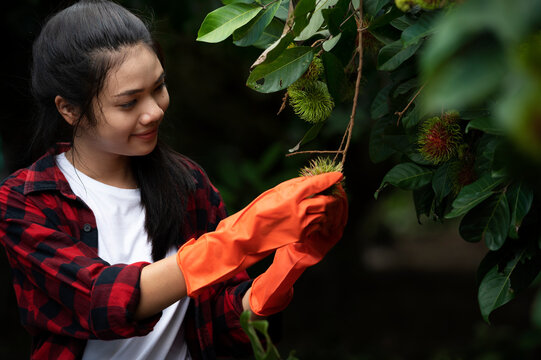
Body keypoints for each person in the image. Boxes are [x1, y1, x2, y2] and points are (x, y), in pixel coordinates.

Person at [0, 1, 348, 359]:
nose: (154, 111)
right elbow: (97, 299)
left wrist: (287, 266)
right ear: (69, 109)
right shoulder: (24, 201)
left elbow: (218, 321)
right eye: (129, 102)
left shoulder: (188, 185)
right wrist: (242, 238)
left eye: (159, 87)